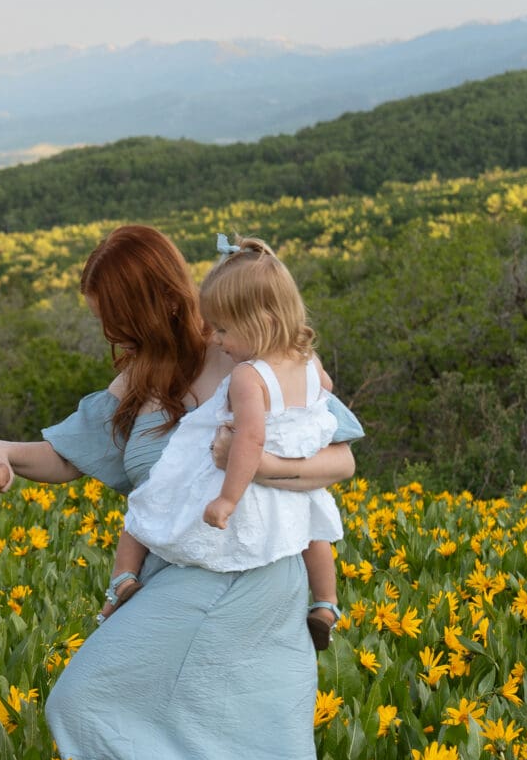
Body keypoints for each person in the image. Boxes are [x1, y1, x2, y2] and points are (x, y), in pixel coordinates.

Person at [0, 224, 399, 760]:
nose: (106, 329)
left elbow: (341, 460)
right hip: (180, 583)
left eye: (113, 313)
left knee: (104, 710)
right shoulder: (138, 381)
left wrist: (249, 471)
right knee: (188, 743)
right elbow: (66, 457)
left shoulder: (245, 356)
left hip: (247, 581)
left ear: (152, 300)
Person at [102, 237, 345, 649]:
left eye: (225, 329)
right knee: (311, 535)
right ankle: (326, 604)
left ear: (262, 322)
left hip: (244, 472)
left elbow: (249, 439)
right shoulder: (310, 362)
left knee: (155, 500)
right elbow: (324, 392)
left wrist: (228, 500)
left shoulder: (248, 376)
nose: (214, 339)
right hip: (296, 468)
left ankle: (122, 580)